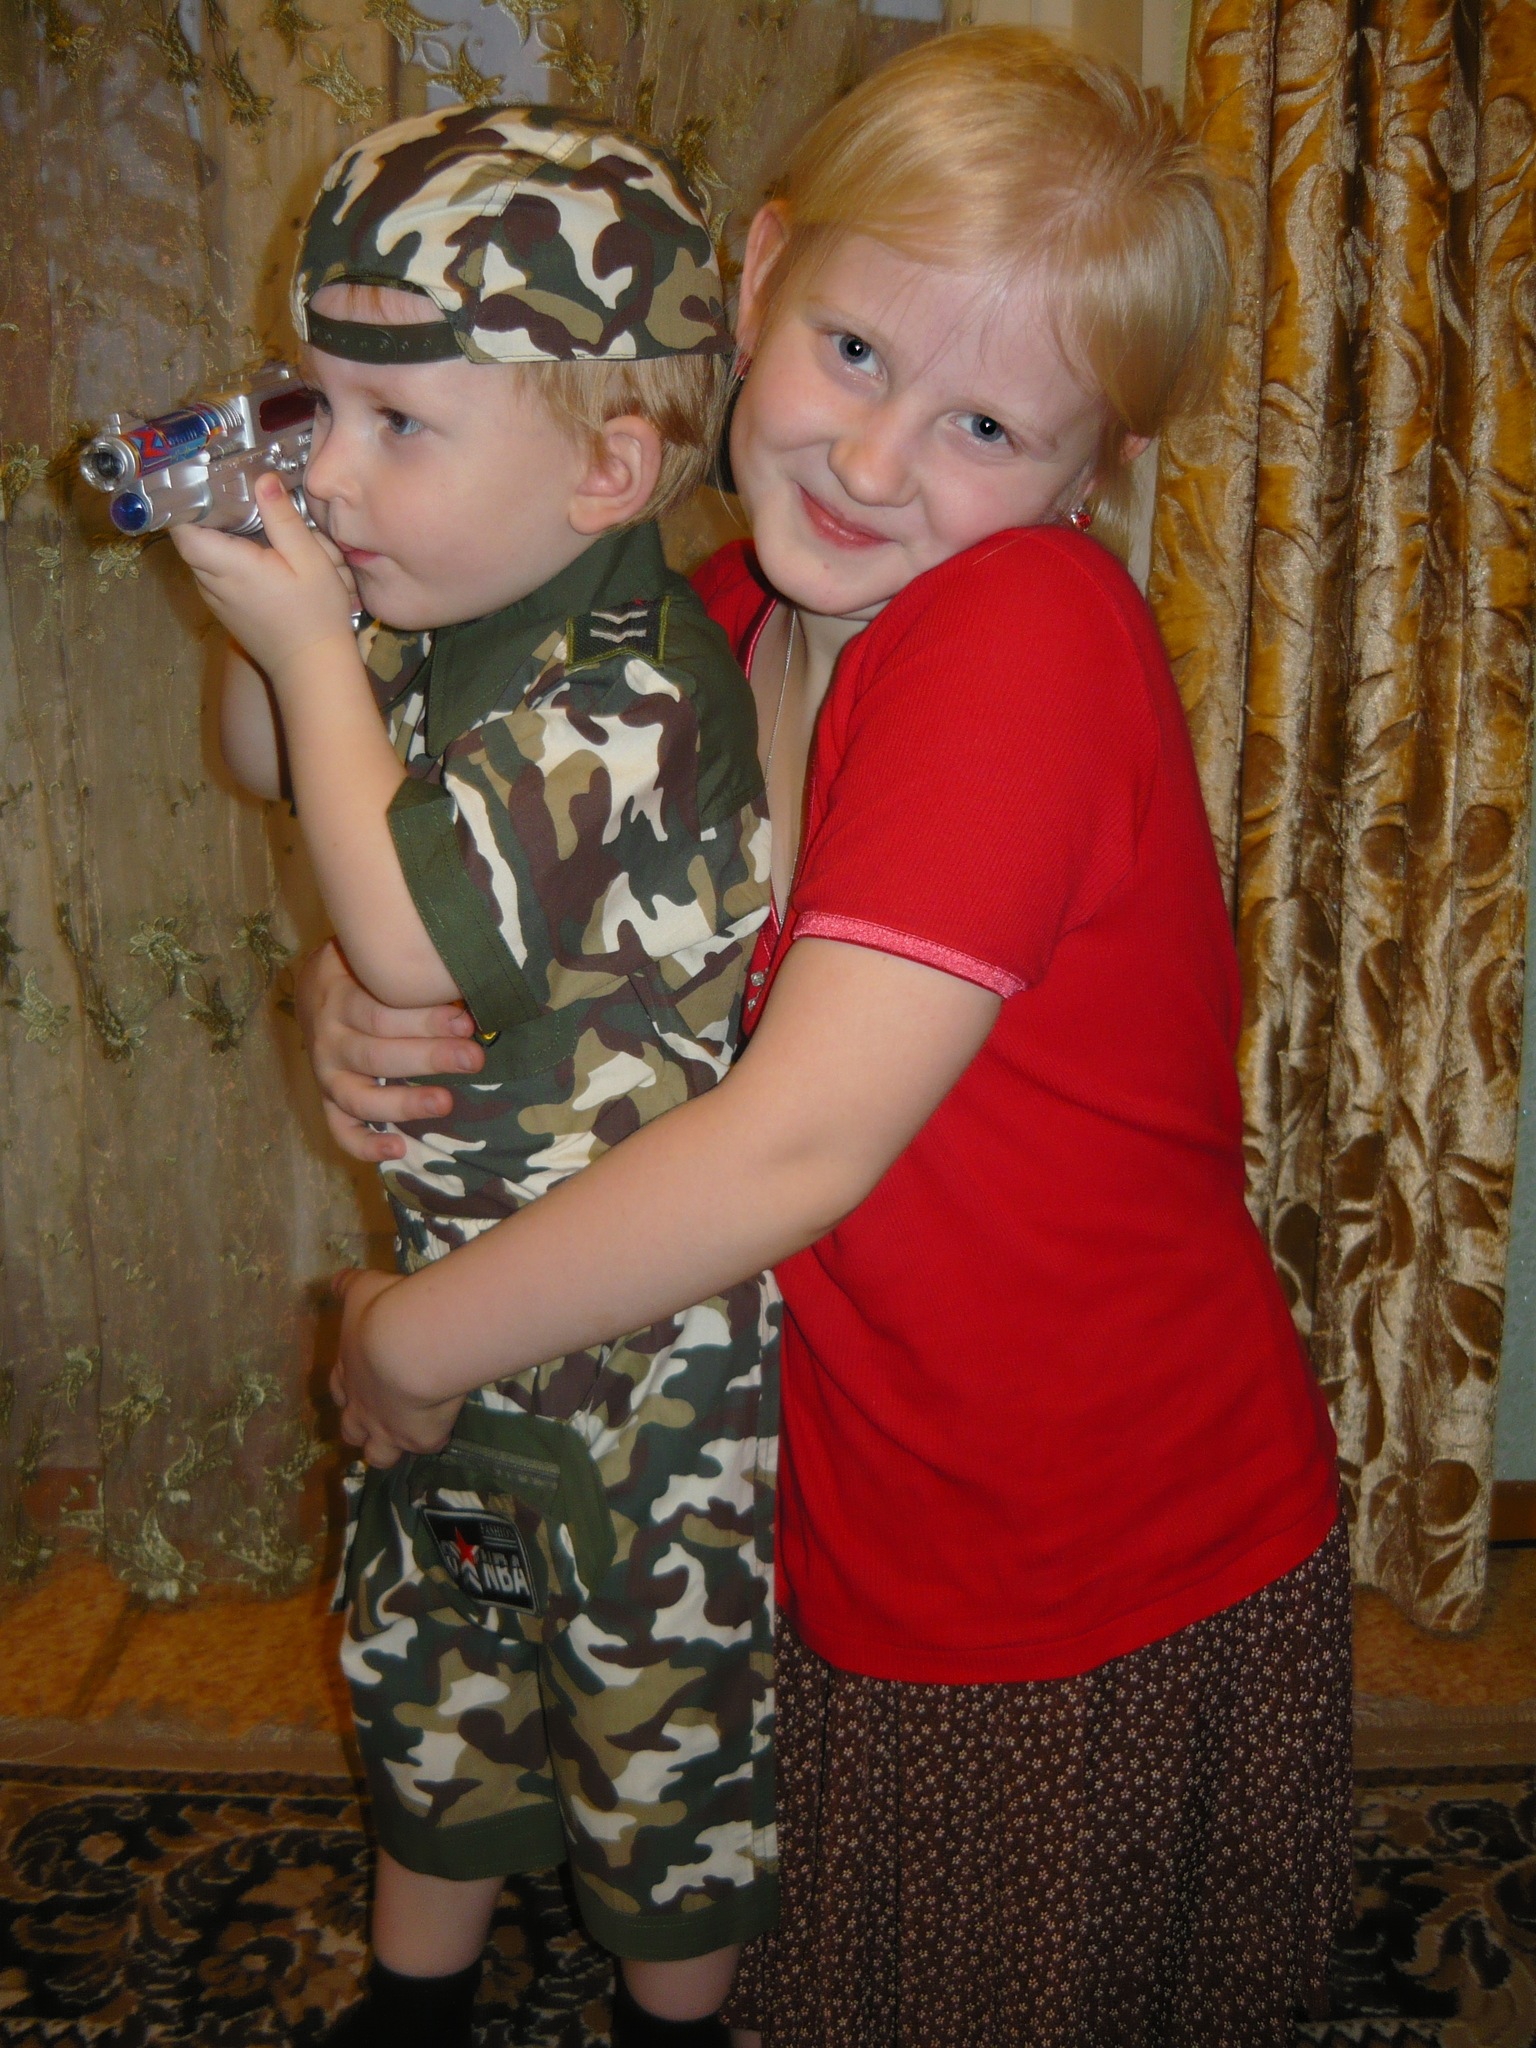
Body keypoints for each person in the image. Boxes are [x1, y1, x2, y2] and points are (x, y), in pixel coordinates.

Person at [299, 30, 1351, 2048]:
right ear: (760, 276)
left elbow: (793, 1143)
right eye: (856, 353)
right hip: (833, 1495)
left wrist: (406, 1345)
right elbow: (526, 965)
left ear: (1083, 479)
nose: (875, 463)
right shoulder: (700, 631)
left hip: (1080, 1541)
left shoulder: (1022, 634)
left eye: (986, 423)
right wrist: (351, 995)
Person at [169, 106, 779, 2048]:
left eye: (396, 424)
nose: (331, 468)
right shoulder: (445, 612)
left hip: (633, 1375)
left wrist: (308, 640)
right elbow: (270, 764)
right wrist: (273, 609)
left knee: (651, 1744)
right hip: (453, 1307)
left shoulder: (636, 692)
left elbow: (414, 938)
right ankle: (414, 2000)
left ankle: (675, 2021)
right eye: (315, 406)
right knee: (434, 1673)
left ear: (611, 466)